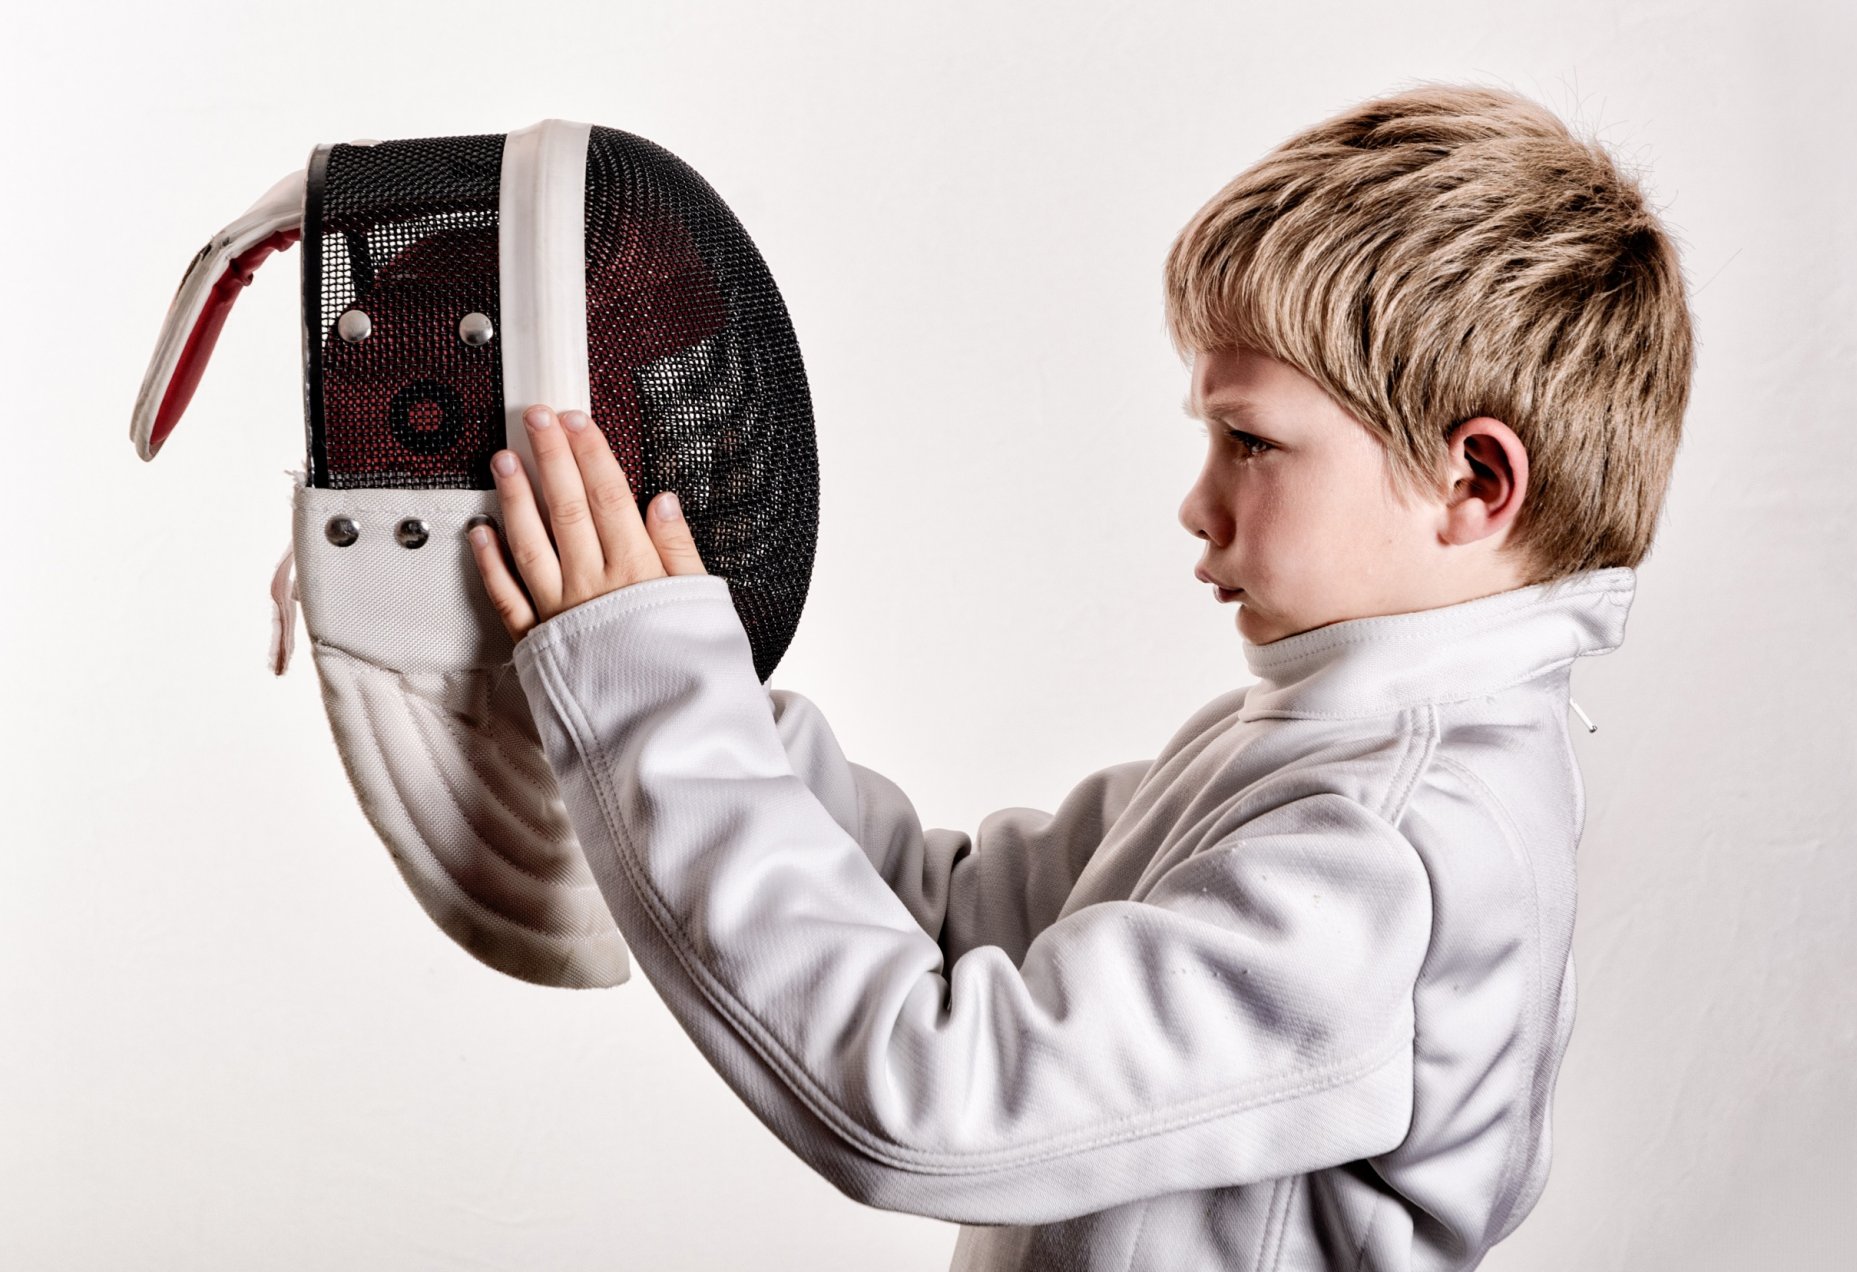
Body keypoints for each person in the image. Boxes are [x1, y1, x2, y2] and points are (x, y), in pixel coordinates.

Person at [464, 80, 1694, 1272]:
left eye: (1252, 442)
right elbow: (952, 918)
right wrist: (679, 689)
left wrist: (645, 700)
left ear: (1475, 483)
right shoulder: (1305, 748)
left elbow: (933, 1096)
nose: (1197, 503)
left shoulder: (1390, 844)